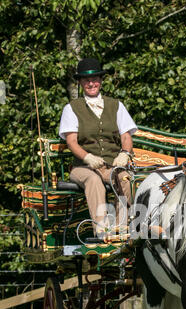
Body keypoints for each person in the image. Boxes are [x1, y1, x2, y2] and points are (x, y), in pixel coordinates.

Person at [59, 57, 137, 236]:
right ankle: (102, 230)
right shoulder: (72, 108)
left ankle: (122, 228)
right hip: (83, 167)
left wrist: (124, 154)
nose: (91, 83)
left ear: (101, 81)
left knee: (124, 178)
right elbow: (71, 142)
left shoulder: (116, 105)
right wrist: (87, 157)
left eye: (95, 79)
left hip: (111, 165)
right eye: (86, 80)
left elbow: (126, 136)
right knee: (94, 181)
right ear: (80, 83)